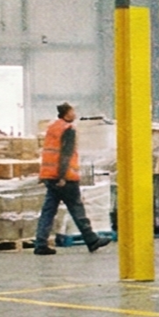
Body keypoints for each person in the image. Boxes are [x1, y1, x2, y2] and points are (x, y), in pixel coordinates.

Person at [34, 102, 103, 256]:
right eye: (73, 111)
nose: (75, 114)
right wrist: (63, 176)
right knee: (77, 208)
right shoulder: (68, 129)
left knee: (48, 211)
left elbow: (48, 152)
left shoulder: (53, 128)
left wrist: (44, 175)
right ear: (66, 114)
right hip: (64, 178)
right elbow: (65, 153)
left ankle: (40, 243)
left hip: (50, 176)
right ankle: (91, 239)